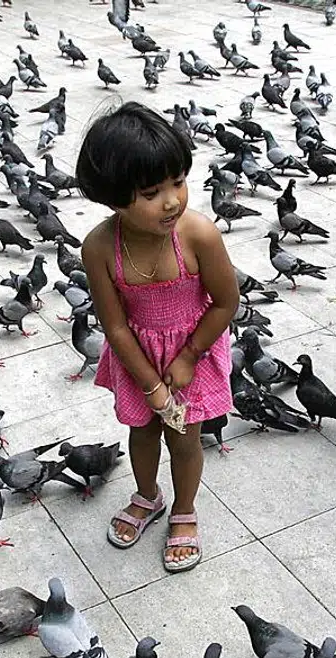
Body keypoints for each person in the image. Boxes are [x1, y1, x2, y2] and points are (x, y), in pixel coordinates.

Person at [75, 101, 238, 573]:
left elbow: (226, 303)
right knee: (143, 432)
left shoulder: (199, 235)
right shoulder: (100, 247)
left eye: (178, 182)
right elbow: (116, 326)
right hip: (136, 359)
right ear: (114, 198)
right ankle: (148, 496)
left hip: (192, 353)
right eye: (151, 192)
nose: (171, 201)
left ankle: (184, 510)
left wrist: (188, 357)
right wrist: (150, 383)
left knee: (185, 438)